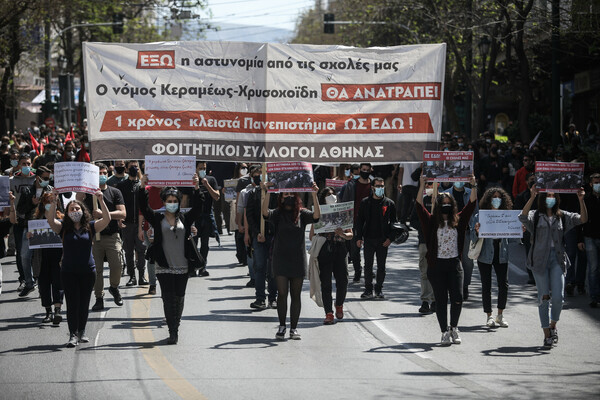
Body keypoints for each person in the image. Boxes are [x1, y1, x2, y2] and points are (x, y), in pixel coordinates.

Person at [519, 185, 587, 348]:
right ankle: (546, 334)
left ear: (557, 198)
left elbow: (582, 219)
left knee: (558, 298)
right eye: (547, 196)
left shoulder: (563, 216)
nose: (550, 198)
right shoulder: (535, 216)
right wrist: (532, 197)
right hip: (539, 260)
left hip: (557, 259)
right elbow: (522, 217)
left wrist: (581, 200)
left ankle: (553, 324)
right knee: (544, 298)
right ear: (543, 199)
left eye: (553, 196)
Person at [138, 174, 203, 344]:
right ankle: (172, 331)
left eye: (175, 200)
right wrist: (141, 185)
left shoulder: (185, 218)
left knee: (179, 297)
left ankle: (177, 325)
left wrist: (196, 187)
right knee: (168, 297)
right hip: (163, 264)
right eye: (169, 200)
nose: (172, 203)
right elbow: (144, 208)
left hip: (182, 264)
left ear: (179, 202)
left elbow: (198, 207)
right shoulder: (157, 218)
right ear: (164, 202)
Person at [416, 174, 477, 346]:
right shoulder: (431, 221)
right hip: (436, 266)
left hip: (454, 265)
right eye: (443, 203)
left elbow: (471, 205)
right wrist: (422, 185)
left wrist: (473, 185)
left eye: (449, 203)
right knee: (441, 300)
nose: (446, 206)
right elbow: (419, 205)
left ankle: (454, 328)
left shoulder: (458, 220)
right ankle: (444, 331)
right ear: (438, 205)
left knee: (457, 297)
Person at [46, 189, 111, 347]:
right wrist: (54, 202)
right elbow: (50, 220)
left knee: (84, 303)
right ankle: (72, 334)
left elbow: (107, 219)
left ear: (83, 211)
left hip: (88, 271)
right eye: (71, 209)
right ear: (67, 213)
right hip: (68, 272)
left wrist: (101, 200)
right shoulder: (63, 228)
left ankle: (82, 331)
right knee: (72, 304)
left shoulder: (90, 226)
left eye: (77, 209)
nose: (75, 211)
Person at [262, 181, 320, 340]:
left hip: (297, 259)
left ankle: (294, 328)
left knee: (296, 295)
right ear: (280, 198)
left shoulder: (302, 213)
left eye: (290, 195)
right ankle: (282, 326)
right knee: (282, 293)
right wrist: (268, 192)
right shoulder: (277, 214)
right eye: (285, 195)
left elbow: (316, 217)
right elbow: (265, 213)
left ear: (296, 197)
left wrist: (314, 194)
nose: (288, 197)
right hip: (280, 259)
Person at [83, 163, 127, 311]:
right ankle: (99, 297)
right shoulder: (88, 194)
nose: (102, 175)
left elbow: (122, 213)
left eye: (104, 173)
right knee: (97, 270)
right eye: (98, 173)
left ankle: (114, 287)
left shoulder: (115, 192)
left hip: (112, 236)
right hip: (94, 238)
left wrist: (104, 215)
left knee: (117, 265)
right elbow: (78, 198)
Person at [470, 187, 512, 328]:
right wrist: (476, 230)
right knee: (486, 285)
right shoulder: (479, 216)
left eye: (499, 197)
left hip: (501, 253)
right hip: (485, 254)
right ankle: (489, 316)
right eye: (493, 197)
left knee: (503, 285)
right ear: (488, 200)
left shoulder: (507, 215)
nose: (496, 199)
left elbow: (514, 236)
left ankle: (500, 315)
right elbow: (472, 237)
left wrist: (519, 229)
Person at [309, 187, 352, 324]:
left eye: (333, 194)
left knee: (343, 280)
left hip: (340, 248)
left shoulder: (343, 212)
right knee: (325, 283)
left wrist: (343, 234)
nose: (331, 196)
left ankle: (339, 304)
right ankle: (328, 313)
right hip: (324, 250)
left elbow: (350, 234)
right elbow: (311, 235)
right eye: (328, 194)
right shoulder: (318, 212)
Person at [355, 177, 397, 300]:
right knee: (368, 265)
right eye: (377, 186)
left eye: (382, 186)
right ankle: (368, 289)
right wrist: (359, 237)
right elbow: (359, 221)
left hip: (383, 240)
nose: (380, 188)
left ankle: (379, 289)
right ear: (372, 188)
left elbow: (395, 223)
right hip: (368, 238)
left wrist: (390, 238)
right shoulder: (365, 202)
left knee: (381, 266)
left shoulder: (389, 203)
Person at [245, 166, 278, 310]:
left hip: (274, 236)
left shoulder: (277, 193)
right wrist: (256, 232)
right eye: (258, 176)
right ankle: (260, 298)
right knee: (259, 267)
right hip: (259, 237)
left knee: (273, 268)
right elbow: (250, 216)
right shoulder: (253, 193)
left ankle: (273, 298)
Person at [16, 166, 52, 297]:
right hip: (30, 228)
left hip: (46, 228)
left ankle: (45, 285)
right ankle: (29, 283)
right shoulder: (27, 191)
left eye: (49, 178)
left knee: (44, 258)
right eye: (46, 178)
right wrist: (32, 203)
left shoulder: (50, 190)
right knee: (25, 256)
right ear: (38, 178)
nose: (48, 181)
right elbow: (20, 209)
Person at [30, 190, 64, 324]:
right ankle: (48, 311)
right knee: (44, 284)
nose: (50, 204)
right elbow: (33, 237)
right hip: (42, 257)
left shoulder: (62, 218)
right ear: (43, 204)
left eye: (52, 201)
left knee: (58, 282)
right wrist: (30, 236)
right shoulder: (37, 220)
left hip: (57, 256)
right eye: (47, 201)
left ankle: (57, 310)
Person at [339, 162, 373, 283]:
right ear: (359, 170)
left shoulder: (374, 186)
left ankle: (368, 271)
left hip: (370, 223)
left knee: (369, 249)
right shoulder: (351, 185)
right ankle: (357, 271)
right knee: (354, 250)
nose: (365, 171)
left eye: (367, 170)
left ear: (370, 170)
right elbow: (342, 202)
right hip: (353, 221)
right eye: (363, 169)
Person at [443, 180, 476, 300]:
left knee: (467, 261)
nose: (459, 181)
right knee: (450, 260)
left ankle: (465, 286)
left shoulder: (470, 192)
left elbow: (475, 211)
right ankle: (450, 287)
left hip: (467, 231)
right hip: (449, 233)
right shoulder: (445, 194)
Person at [116, 160, 147, 286]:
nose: (134, 168)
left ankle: (142, 277)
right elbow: (117, 205)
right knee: (128, 251)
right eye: (131, 167)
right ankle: (132, 277)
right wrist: (119, 219)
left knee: (141, 251)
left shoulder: (142, 185)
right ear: (127, 169)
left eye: (136, 166)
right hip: (127, 224)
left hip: (140, 224)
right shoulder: (122, 186)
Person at [9, 153, 36, 291]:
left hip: (34, 220)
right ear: (18, 165)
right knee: (20, 251)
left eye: (28, 163)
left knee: (34, 251)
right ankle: (24, 279)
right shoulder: (12, 180)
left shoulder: (36, 179)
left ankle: (34, 277)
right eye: (23, 164)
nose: (26, 166)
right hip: (18, 218)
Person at [191, 161, 220, 276]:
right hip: (194, 216)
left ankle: (203, 267)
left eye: (204, 168)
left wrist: (207, 185)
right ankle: (193, 266)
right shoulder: (190, 181)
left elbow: (217, 196)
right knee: (193, 243)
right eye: (200, 168)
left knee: (205, 244)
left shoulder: (211, 180)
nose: (203, 170)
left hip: (207, 216)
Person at [582, 173, 600, 307]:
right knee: (593, 268)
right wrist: (579, 239)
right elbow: (581, 220)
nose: (597, 184)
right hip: (589, 237)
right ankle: (594, 296)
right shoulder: (587, 199)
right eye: (595, 182)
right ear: (591, 184)